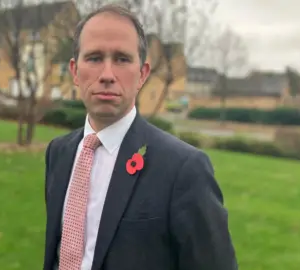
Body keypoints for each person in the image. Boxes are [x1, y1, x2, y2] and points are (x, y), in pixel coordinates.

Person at [43, 4, 238, 270]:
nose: (108, 75)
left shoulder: (184, 169)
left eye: (122, 59)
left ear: (143, 74)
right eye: (95, 58)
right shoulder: (59, 153)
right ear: (75, 71)